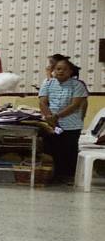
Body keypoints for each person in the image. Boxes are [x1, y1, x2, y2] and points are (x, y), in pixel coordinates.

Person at [38, 56, 89, 186]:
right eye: (58, 69)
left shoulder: (77, 85)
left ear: (71, 71)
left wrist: (56, 116)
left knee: (69, 151)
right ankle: (54, 175)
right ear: (54, 70)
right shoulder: (48, 83)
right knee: (53, 149)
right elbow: (42, 102)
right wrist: (49, 117)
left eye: (65, 69)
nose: (61, 71)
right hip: (51, 124)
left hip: (72, 125)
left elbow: (74, 106)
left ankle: (69, 176)